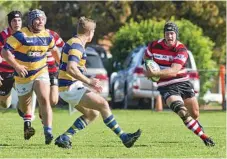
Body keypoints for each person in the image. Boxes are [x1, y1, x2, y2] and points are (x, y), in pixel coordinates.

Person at [55, 16, 141, 149]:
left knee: (92, 113)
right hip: (69, 87)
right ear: (90, 32)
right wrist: (89, 81)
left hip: (67, 87)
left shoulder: (74, 42)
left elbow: (70, 65)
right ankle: (124, 137)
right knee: (103, 104)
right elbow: (70, 68)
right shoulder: (77, 44)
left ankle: (65, 137)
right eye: (94, 32)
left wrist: (84, 75)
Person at [144, 21, 215, 146]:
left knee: (194, 114)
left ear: (176, 34)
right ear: (164, 34)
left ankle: (197, 127)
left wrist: (155, 74)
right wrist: (148, 68)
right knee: (181, 111)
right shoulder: (153, 46)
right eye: (167, 33)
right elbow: (146, 59)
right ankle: (204, 136)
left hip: (182, 82)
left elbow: (173, 71)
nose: (169, 36)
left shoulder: (181, 49)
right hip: (165, 86)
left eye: (172, 33)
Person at [1, 9, 58, 145]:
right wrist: (17, 66)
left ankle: (48, 131)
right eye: (37, 19)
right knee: (23, 107)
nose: (40, 22)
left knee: (45, 99)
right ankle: (27, 121)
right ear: (31, 21)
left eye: (42, 19)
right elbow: (5, 52)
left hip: (40, 72)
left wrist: (62, 65)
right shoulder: (20, 36)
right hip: (22, 76)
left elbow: (55, 50)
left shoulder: (48, 36)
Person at [31, 29, 64, 121]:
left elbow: (64, 48)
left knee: (53, 100)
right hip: (38, 70)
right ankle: (44, 118)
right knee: (43, 96)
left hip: (52, 70)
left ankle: (42, 109)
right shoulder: (28, 35)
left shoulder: (53, 35)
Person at [0, 11, 22, 109]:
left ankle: (26, 117)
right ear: (9, 23)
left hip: (21, 71)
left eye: (19, 20)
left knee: (26, 96)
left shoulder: (26, 34)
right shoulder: (2, 36)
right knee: (5, 105)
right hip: (5, 72)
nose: (17, 23)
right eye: (14, 21)